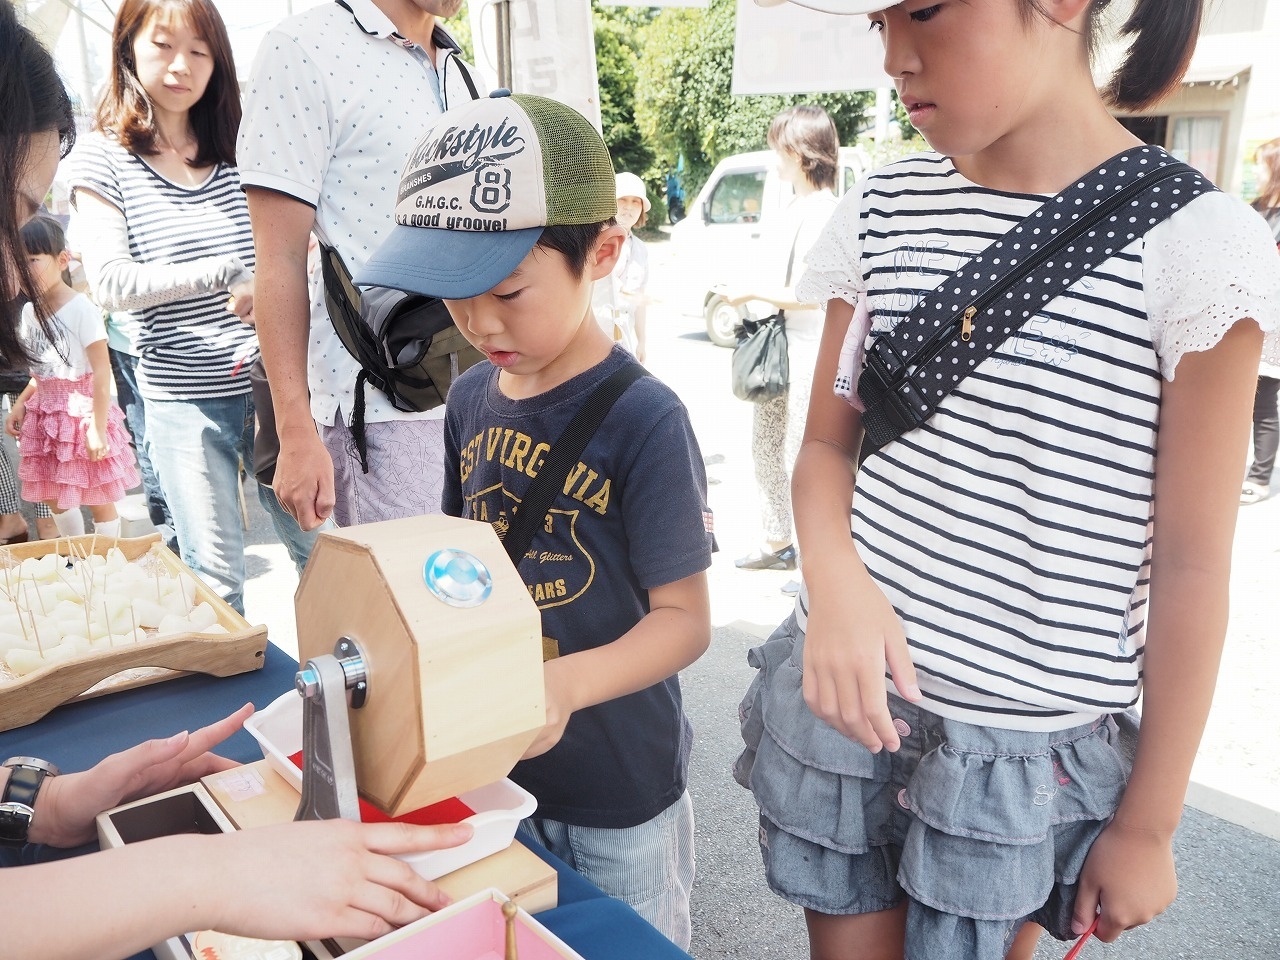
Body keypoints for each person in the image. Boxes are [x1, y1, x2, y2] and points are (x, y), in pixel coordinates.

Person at [734, 3, 1280, 960]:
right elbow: (825, 449)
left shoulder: (1201, 245)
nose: (898, 55)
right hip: (853, 711)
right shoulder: (883, 206)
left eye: (929, 11)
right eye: (881, 19)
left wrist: (1148, 827)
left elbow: (1194, 568)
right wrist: (836, 589)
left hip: (1022, 767)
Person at [0, 9, 470, 956]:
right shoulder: (308, 57)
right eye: (16, 215)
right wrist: (206, 877)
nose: (24, 271)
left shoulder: (451, 67)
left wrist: (44, 804)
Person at [359, 93, 715, 949]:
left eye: (509, 292)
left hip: (618, 785)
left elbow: (686, 623)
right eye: (453, 297)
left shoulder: (647, 418)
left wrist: (565, 686)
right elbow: (462, 568)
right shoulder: (472, 396)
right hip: (496, 774)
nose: (480, 323)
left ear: (603, 251)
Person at [239, 0, 482, 533]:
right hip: (381, 409)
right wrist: (295, 430)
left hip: (483, 394)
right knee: (407, 609)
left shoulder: (464, 68)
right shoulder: (302, 49)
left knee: (486, 607)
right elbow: (277, 258)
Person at [68, 0, 265, 614]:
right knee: (215, 578)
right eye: (163, 46)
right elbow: (109, 282)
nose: (181, 65)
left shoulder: (242, 147)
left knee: (321, 551)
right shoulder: (102, 158)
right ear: (129, 46)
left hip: (271, 385)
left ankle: (323, 704)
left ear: (218, 62)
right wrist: (228, 272)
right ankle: (237, 708)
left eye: (199, 51)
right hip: (183, 398)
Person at [731, 105, 840, 580]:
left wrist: (750, 292)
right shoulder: (796, 206)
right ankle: (779, 541)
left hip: (807, 354)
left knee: (800, 456)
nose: (775, 156)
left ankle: (813, 562)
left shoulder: (824, 212)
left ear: (798, 152)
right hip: (782, 351)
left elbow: (809, 295)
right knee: (768, 448)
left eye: (780, 146)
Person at [5, 216, 139, 538]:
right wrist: (21, 403)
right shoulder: (29, 312)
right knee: (57, 497)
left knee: (98, 495)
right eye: (18, 262)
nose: (25, 269)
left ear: (62, 259)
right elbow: (43, 372)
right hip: (44, 417)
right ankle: (75, 559)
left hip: (80, 416)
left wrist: (97, 427)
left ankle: (107, 565)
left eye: (33, 260)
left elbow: (101, 372)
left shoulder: (81, 309)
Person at [1243, 136, 1280, 505]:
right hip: (1250, 313)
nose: (1255, 169)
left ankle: (1260, 477)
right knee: (1246, 397)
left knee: (1265, 398)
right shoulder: (1253, 209)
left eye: (1260, 162)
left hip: (1275, 320)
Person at [592, 171, 651, 361]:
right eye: (623, 200)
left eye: (636, 201)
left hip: (625, 340)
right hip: (595, 334)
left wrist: (641, 341)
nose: (629, 207)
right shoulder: (595, 242)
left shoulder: (641, 249)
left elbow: (639, 301)